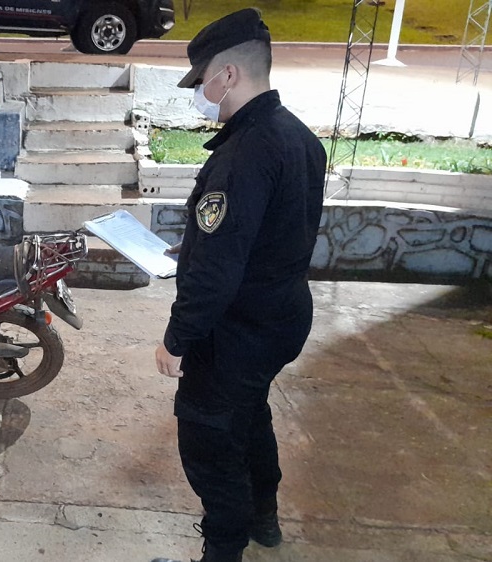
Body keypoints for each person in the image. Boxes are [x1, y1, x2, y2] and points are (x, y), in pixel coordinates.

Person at [151, 8, 326, 562]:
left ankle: (222, 551)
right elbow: (270, 230)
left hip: (237, 331)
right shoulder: (298, 136)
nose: (199, 93)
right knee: (249, 415)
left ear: (228, 74)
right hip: (282, 317)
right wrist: (194, 247)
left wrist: (177, 339)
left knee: (209, 439)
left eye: (201, 79)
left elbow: (217, 272)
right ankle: (263, 519)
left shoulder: (242, 154)